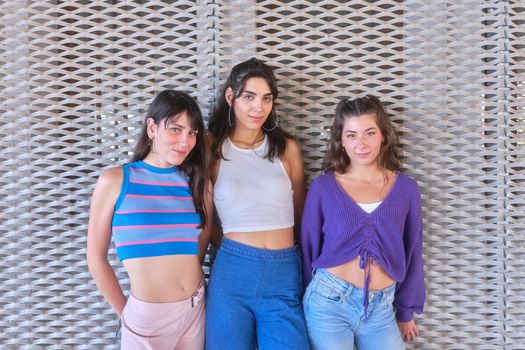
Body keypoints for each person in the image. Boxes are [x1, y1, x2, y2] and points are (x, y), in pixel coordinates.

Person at [87, 90, 212, 350]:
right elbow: (95, 258)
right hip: (147, 320)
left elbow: (197, 247)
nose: (185, 141)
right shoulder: (115, 181)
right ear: (152, 128)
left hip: (196, 309)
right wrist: (127, 315)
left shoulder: (198, 184)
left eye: (192, 133)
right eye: (176, 129)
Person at [301, 95, 425, 350]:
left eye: (369, 133)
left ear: (383, 136)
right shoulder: (324, 187)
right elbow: (307, 248)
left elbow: (413, 250)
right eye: (351, 135)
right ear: (341, 141)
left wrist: (406, 310)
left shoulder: (407, 189)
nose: (361, 143)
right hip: (328, 303)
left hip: (381, 307)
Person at [205, 58, 310, 350]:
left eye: (266, 99)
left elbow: (302, 216)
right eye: (248, 97)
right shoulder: (211, 147)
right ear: (230, 97)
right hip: (232, 273)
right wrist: (229, 248)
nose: (258, 107)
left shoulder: (287, 148)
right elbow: (204, 216)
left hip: (284, 271)